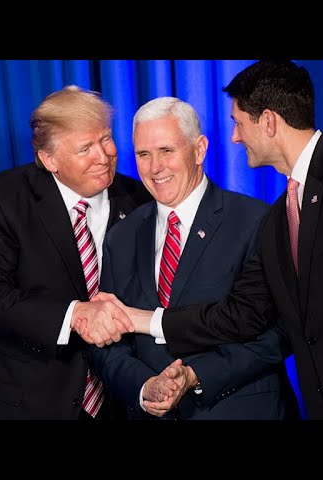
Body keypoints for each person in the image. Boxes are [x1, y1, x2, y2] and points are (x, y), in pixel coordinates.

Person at [97, 61, 323, 420]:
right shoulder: (281, 216)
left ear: (269, 122)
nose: (235, 136)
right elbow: (242, 315)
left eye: (239, 123)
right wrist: (140, 319)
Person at [0, 85, 152, 420]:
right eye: (85, 149)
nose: (104, 155)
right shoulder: (0, 200)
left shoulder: (139, 200)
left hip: (113, 401)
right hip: (18, 399)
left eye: (106, 138)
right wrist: (74, 315)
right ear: (49, 159)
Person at [87, 96, 297, 420]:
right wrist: (145, 387)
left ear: (199, 150)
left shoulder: (256, 220)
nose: (155, 167)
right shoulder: (121, 236)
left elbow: (280, 332)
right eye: (144, 154)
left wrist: (197, 375)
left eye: (166, 151)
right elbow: (108, 341)